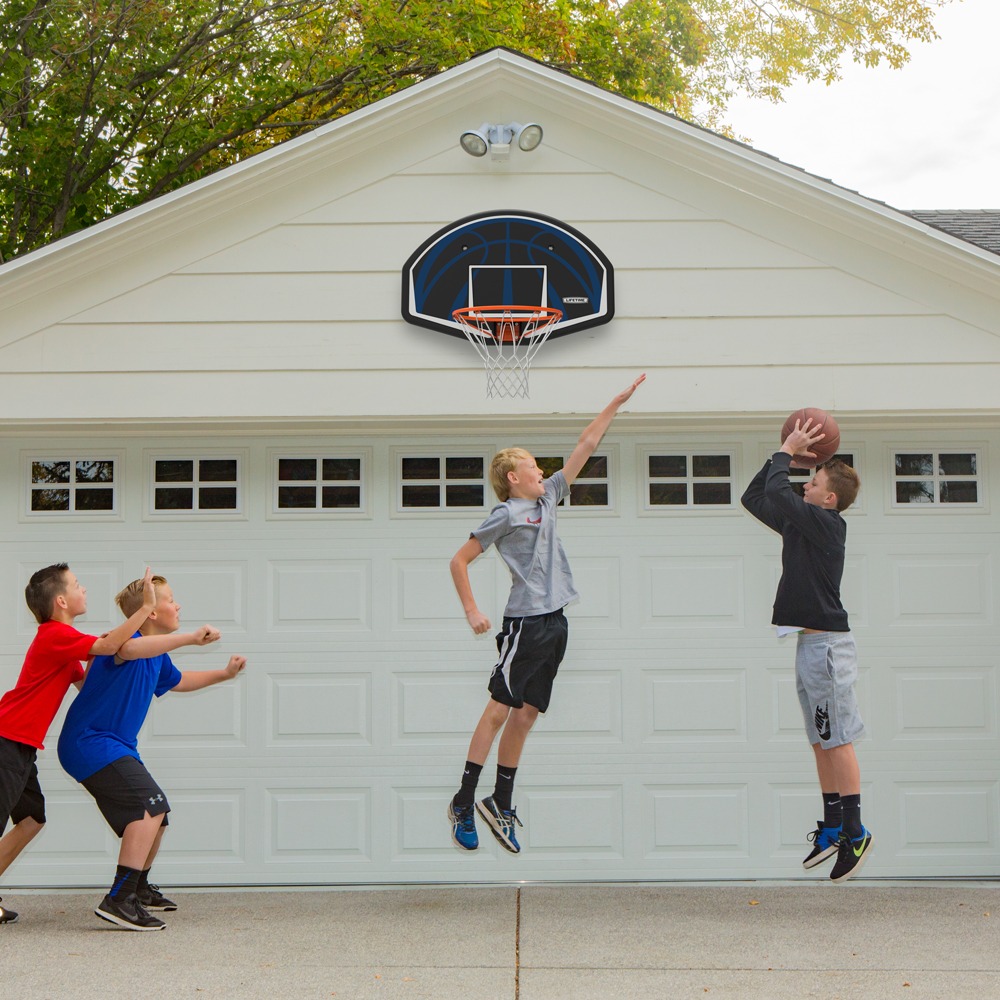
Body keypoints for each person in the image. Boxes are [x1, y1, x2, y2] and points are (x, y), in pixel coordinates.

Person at [447, 375, 646, 854]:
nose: (542, 472)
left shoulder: (550, 498)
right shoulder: (506, 514)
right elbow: (459, 559)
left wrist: (614, 403)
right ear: (513, 478)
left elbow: (586, 443)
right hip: (525, 622)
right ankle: (464, 798)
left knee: (528, 713)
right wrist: (473, 609)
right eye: (533, 467)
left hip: (556, 622)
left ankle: (501, 801)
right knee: (499, 709)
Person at [57, 573, 246, 931]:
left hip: (114, 746)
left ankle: (138, 890)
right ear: (151, 613)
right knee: (149, 806)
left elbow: (178, 681)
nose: (179, 605)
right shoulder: (123, 641)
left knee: (158, 816)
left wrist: (224, 674)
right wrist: (190, 638)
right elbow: (128, 650)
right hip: (90, 743)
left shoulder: (157, 655)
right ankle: (118, 898)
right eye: (171, 600)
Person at [741, 419, 871, 882]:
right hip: (808, 645)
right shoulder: (803, 522)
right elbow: (756, 498)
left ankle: (855, 830)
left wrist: (785, 452)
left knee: (837, 737)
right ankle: (833, 823)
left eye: (811, 480)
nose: (804, 484)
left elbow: (778, 494)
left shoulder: (827, 524)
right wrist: (782, 460)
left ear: (828, 498)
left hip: (829, 649)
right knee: (820, 739)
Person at [0, 563, 155, 925]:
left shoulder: (66, 647)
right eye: (77, 585)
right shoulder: (54, 635)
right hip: (7, 740)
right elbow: (108, 645)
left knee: (31, 819)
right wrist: (144, 608)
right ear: (61, 601)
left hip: (20, 746)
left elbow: (93, 684)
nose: (84, 590)